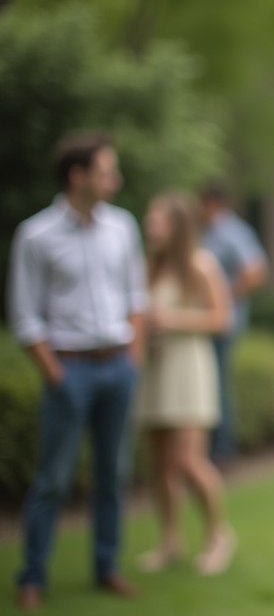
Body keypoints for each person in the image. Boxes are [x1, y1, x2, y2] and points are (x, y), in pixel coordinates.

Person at [8, 132, 146, 610]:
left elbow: (136, 298)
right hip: (70, 371)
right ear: (77, 176)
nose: (116, 179)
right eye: (107, 170)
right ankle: (31, 577)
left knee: (113, 475)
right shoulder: (36, 235)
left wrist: (133, 360)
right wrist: (56, 376)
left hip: (118, 369)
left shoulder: (123, 227)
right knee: (53, 480)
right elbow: (26, 316)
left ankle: (107, 567)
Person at [136, 192, 237, 575]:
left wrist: (171, 319)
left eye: (158, 219)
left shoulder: (201, 265)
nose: (150, 225)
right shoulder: (149, 267)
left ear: (177, 225)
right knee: (159, 463)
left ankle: (217, 536)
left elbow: (221, 319)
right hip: (155, 369)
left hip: (189, 370)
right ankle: (170, 540)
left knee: (188, 461)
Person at [198, 184, 268, 463]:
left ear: (211, 202)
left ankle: (222, 449)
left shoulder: (232, 231)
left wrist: (223, 297)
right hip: (207, 322)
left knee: (218, 383)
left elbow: (255, 271)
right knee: (211, 381)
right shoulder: (207, 232)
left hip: (223, 322)